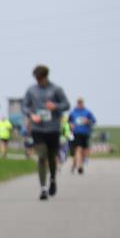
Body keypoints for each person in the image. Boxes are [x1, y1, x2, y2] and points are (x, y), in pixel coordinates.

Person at [22, 65, 70, 200]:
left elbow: (66, 104)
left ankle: (53, 178)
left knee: (51, 157)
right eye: (36, 79)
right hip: (38, 129)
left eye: (40, 78)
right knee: (41, 156)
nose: (38, 81)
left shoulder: (56, 89)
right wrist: (31, 115)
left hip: (53, 128)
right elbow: (24, 106)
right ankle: (43, 188)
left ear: (46, 77)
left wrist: (55, 106)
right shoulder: (31, 90)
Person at [68, 97, 97, 173]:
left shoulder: (87, 112)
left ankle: (75, 164)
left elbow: (94, 121)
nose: (80, 104)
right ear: (77, 103)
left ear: (83, 103)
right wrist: (70, 125)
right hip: (76, 133)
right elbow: (68, 122)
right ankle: (80, 166)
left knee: (84, 152)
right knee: (78, 149)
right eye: (78, 102)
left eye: (81, 102)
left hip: (85, 133)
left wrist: (88, 121)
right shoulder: (73, 112)